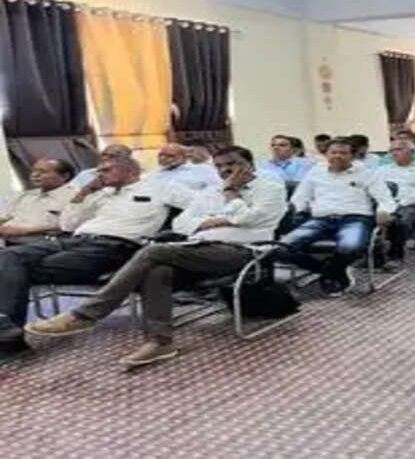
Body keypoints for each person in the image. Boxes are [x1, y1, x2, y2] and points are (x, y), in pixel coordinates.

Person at [24, 146, 288, 366]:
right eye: (219, 166)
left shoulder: (271, 187)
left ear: (250, 164)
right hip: (198, 248)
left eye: (232, 164)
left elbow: (250, 219)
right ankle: (160, 342)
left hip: (244, 251)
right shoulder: (212, 190)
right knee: (156, 270)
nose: (225, 171)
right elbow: (182, 223)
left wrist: (229, 197)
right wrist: (216, 219)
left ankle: (85, 315)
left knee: (154, 251)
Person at [0, 157, 194, 357]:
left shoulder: (160, 188)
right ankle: (6, 330)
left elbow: (198, 204)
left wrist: (181, 228)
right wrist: (84, 193)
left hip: (113, 246)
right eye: (99, 170)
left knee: (14, 270)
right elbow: (67, 224)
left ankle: (10, 340)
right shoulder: (101, 194)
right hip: (75, 240)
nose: (100, 174)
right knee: (7, 257)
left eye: (107, 170)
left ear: (131, 171)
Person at [284, 137, 395, 294]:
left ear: (352, 156)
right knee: (281, 248)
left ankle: (332, 272)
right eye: (333, 152)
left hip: (355, 219)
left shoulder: (367, 173)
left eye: (343, 153)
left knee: (351, 247)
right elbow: (299, 199)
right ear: (326, 154)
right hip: (320, 220)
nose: (337, 156)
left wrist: (384, 211)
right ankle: (330, 271)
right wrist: (295, 211)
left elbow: (385, 199)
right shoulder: (315, 172)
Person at [377, 139, 415, 269]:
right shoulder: (383, 170)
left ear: (412, 152)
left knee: (400, 220)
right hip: (387, 203)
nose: (394, 153)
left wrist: (400, 203)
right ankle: (375, 256)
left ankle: (396, 256)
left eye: (399, 149)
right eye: (392, 150)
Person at [0, 159, 77, 245]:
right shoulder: (25, 196)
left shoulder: (74, 197)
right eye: (33, 171)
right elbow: (5, 216)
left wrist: (24, 231)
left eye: (43, 172)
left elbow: (70, 225)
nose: (35, 175)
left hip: (43, 245)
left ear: (64, 176)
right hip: (7, 242)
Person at [145, 144, 222, 191]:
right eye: (161, 155)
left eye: (170, 156)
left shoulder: (203, 170)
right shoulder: (153, 174)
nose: (163, 158)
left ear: (184, 157)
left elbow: (217, 189)